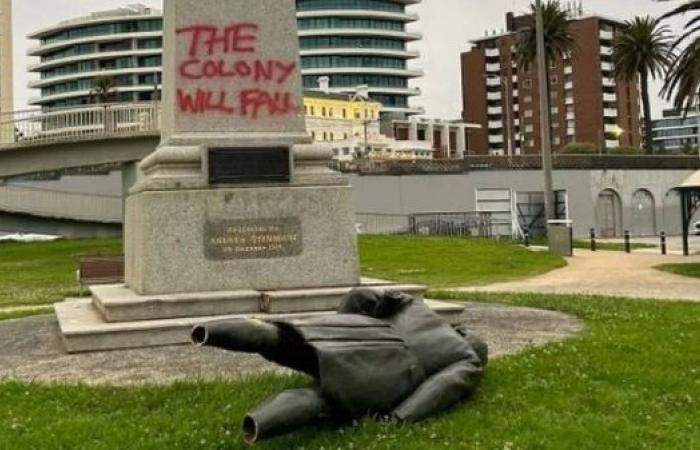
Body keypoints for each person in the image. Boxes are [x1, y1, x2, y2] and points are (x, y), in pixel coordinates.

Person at [192, 288, 488, 443]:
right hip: (388, 373)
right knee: (321, 399)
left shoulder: (418, 308)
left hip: (355, 332)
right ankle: (256, 425)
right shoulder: (467, 359)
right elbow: (440, 388)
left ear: (461, 329)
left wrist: (338, 322)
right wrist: (400, 417)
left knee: (279, 337)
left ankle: (207, 331)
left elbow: (361, 296)